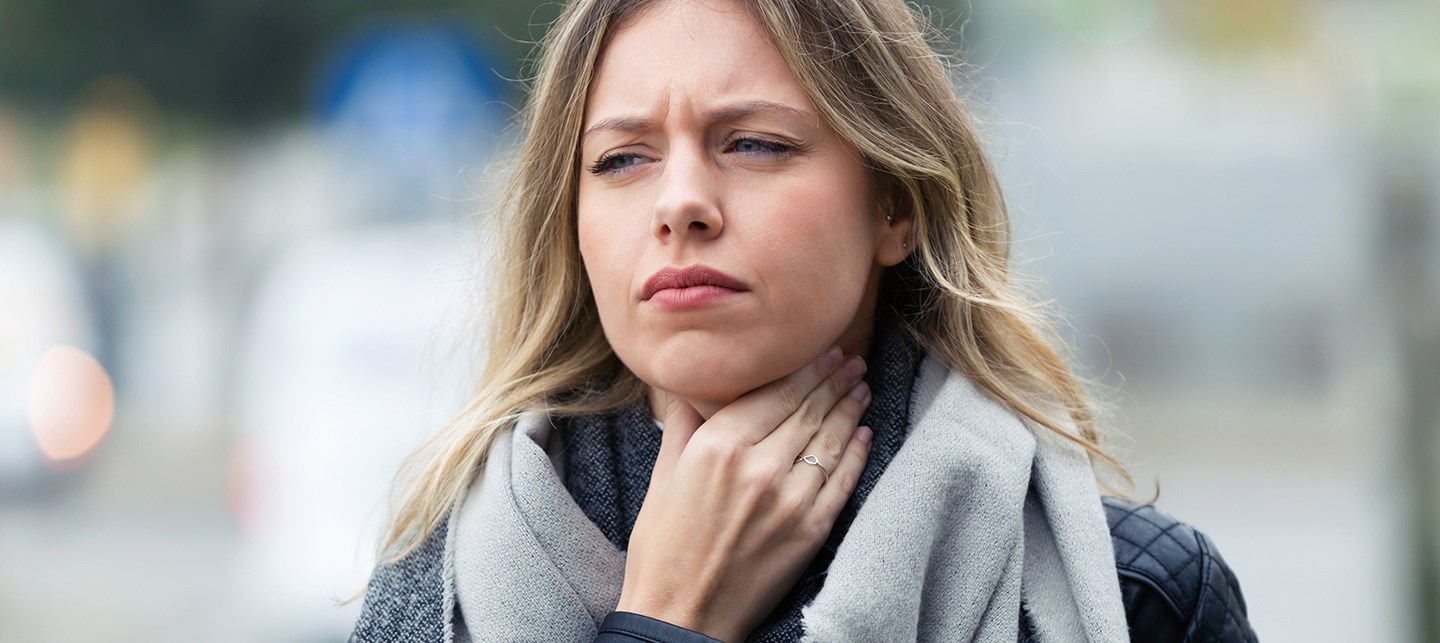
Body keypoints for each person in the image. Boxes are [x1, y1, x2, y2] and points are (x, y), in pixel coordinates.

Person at [350, 0, 1258, 641]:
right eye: (623, 159)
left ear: (894, 206)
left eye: (754, 144)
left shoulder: (1133, 594)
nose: (682, 204)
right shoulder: (441, 596)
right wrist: (669, 615)